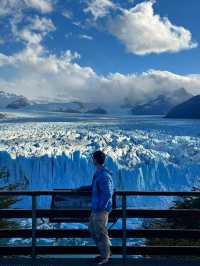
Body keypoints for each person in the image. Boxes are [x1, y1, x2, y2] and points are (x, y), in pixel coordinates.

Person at [78, 150, 114, 265]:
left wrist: (101, 208)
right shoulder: (99, 173)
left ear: (96, 160)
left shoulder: (104, 175)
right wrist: (81, 189)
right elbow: (95, 187)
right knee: (93, 230)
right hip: (96, 209)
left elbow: (108, 193)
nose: (92, 160)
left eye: (93, 158)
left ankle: (105, 257)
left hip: (100, 210)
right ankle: (106, 252)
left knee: (100, 232)